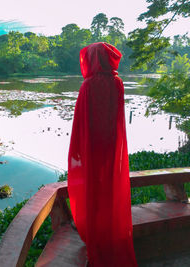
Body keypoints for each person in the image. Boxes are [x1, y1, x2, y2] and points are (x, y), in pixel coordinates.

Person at [67, 42, 138, 267]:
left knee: (92, 190)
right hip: (111, 146)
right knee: (110, 186)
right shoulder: (117, 82)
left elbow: (80, 123)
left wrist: (78, 151)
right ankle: (110, 230)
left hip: (92, 148)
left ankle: (95, 232)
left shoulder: (87, 86)